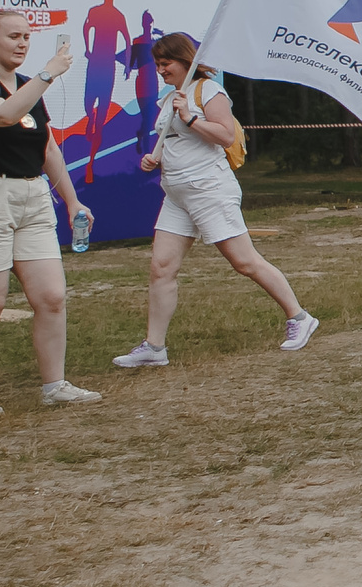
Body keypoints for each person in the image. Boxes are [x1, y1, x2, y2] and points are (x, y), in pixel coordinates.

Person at [113, 32, 319, 369]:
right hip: (177, 194)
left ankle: (299, 316)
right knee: (161, 268)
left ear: (185, 61)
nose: (161, 70)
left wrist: (191, 118)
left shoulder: (208, 90)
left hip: (210, 190)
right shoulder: (170, 100)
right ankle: (154, 346)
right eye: (158, 65)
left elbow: (224, 135)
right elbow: (174, 143)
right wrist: (155, 158)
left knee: (244, 261)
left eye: (166, 64)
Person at [0, 11, 101, 418]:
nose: (22, 43)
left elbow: (47, 148)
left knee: (51, 297)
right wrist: (48, 73)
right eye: (13, 36)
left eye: (28, 37)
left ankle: (55, 385)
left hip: (32, 196)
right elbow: (3, 115)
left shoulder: (30, 90)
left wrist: (72, 201)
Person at [78, 0, 130, 185]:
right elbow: (86, 27)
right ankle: (90, 117)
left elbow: (126, 38)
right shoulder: (95, 11)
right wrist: (88, 49)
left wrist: (126, 64)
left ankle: (90, 165)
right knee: (88, 103)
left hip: (108, 66)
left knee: (102, 117)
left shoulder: (118, 15)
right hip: (95, 64)